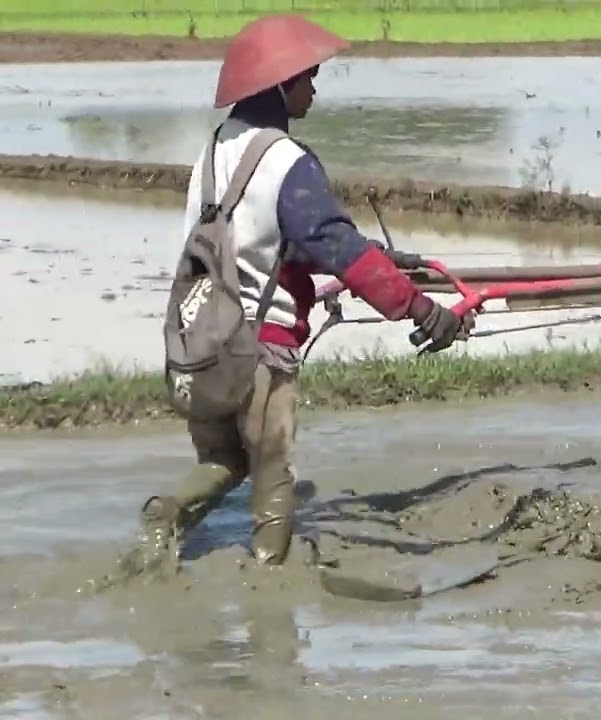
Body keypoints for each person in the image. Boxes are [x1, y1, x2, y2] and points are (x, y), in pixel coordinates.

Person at [127, 14, 472, 570]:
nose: (313, 87)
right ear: (281, 86)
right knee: (272, 469)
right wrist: (419, 306)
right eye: (308, 78)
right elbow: (331, 242)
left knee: (224, 458)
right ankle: (271, 581)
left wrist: (381, 261)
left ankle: (167, 515)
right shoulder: (287, 160)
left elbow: (258, 240)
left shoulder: (211, 156)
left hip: (201, 344)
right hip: (261, 350)